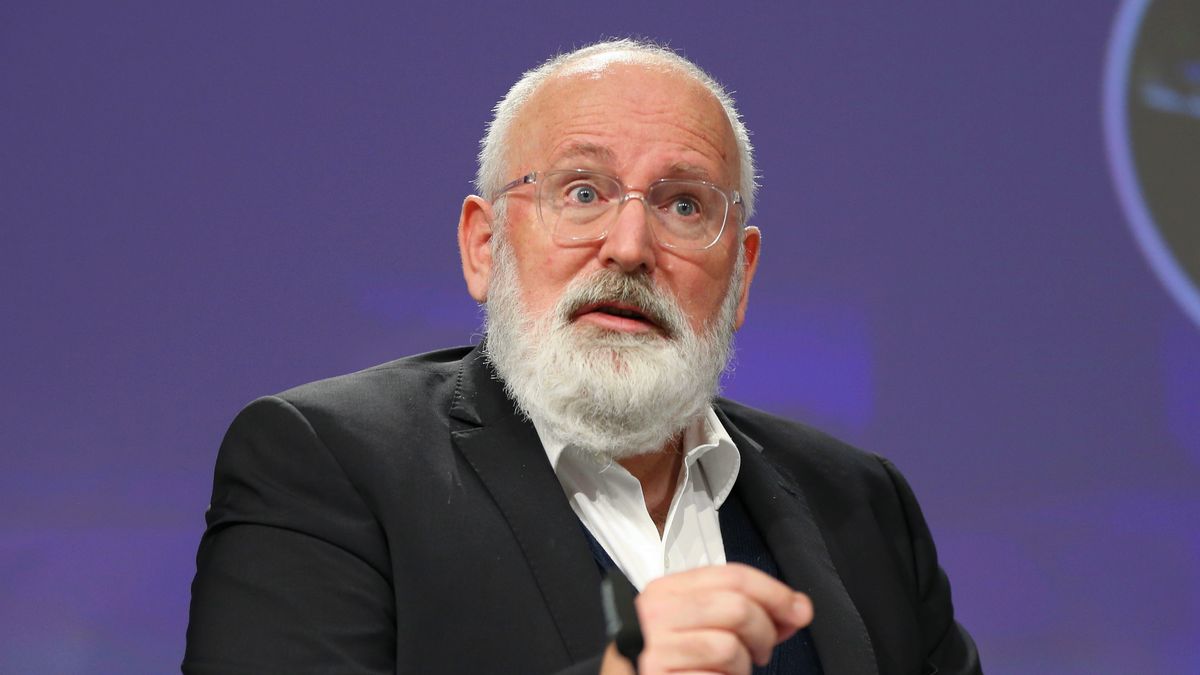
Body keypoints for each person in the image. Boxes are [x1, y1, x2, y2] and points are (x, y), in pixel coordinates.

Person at [184, 39, 981, 675]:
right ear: (484, 244)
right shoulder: (325, 463)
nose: (630, 247)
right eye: (582, 193)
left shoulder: (864, 505)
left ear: (740, 277)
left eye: (682, 204)